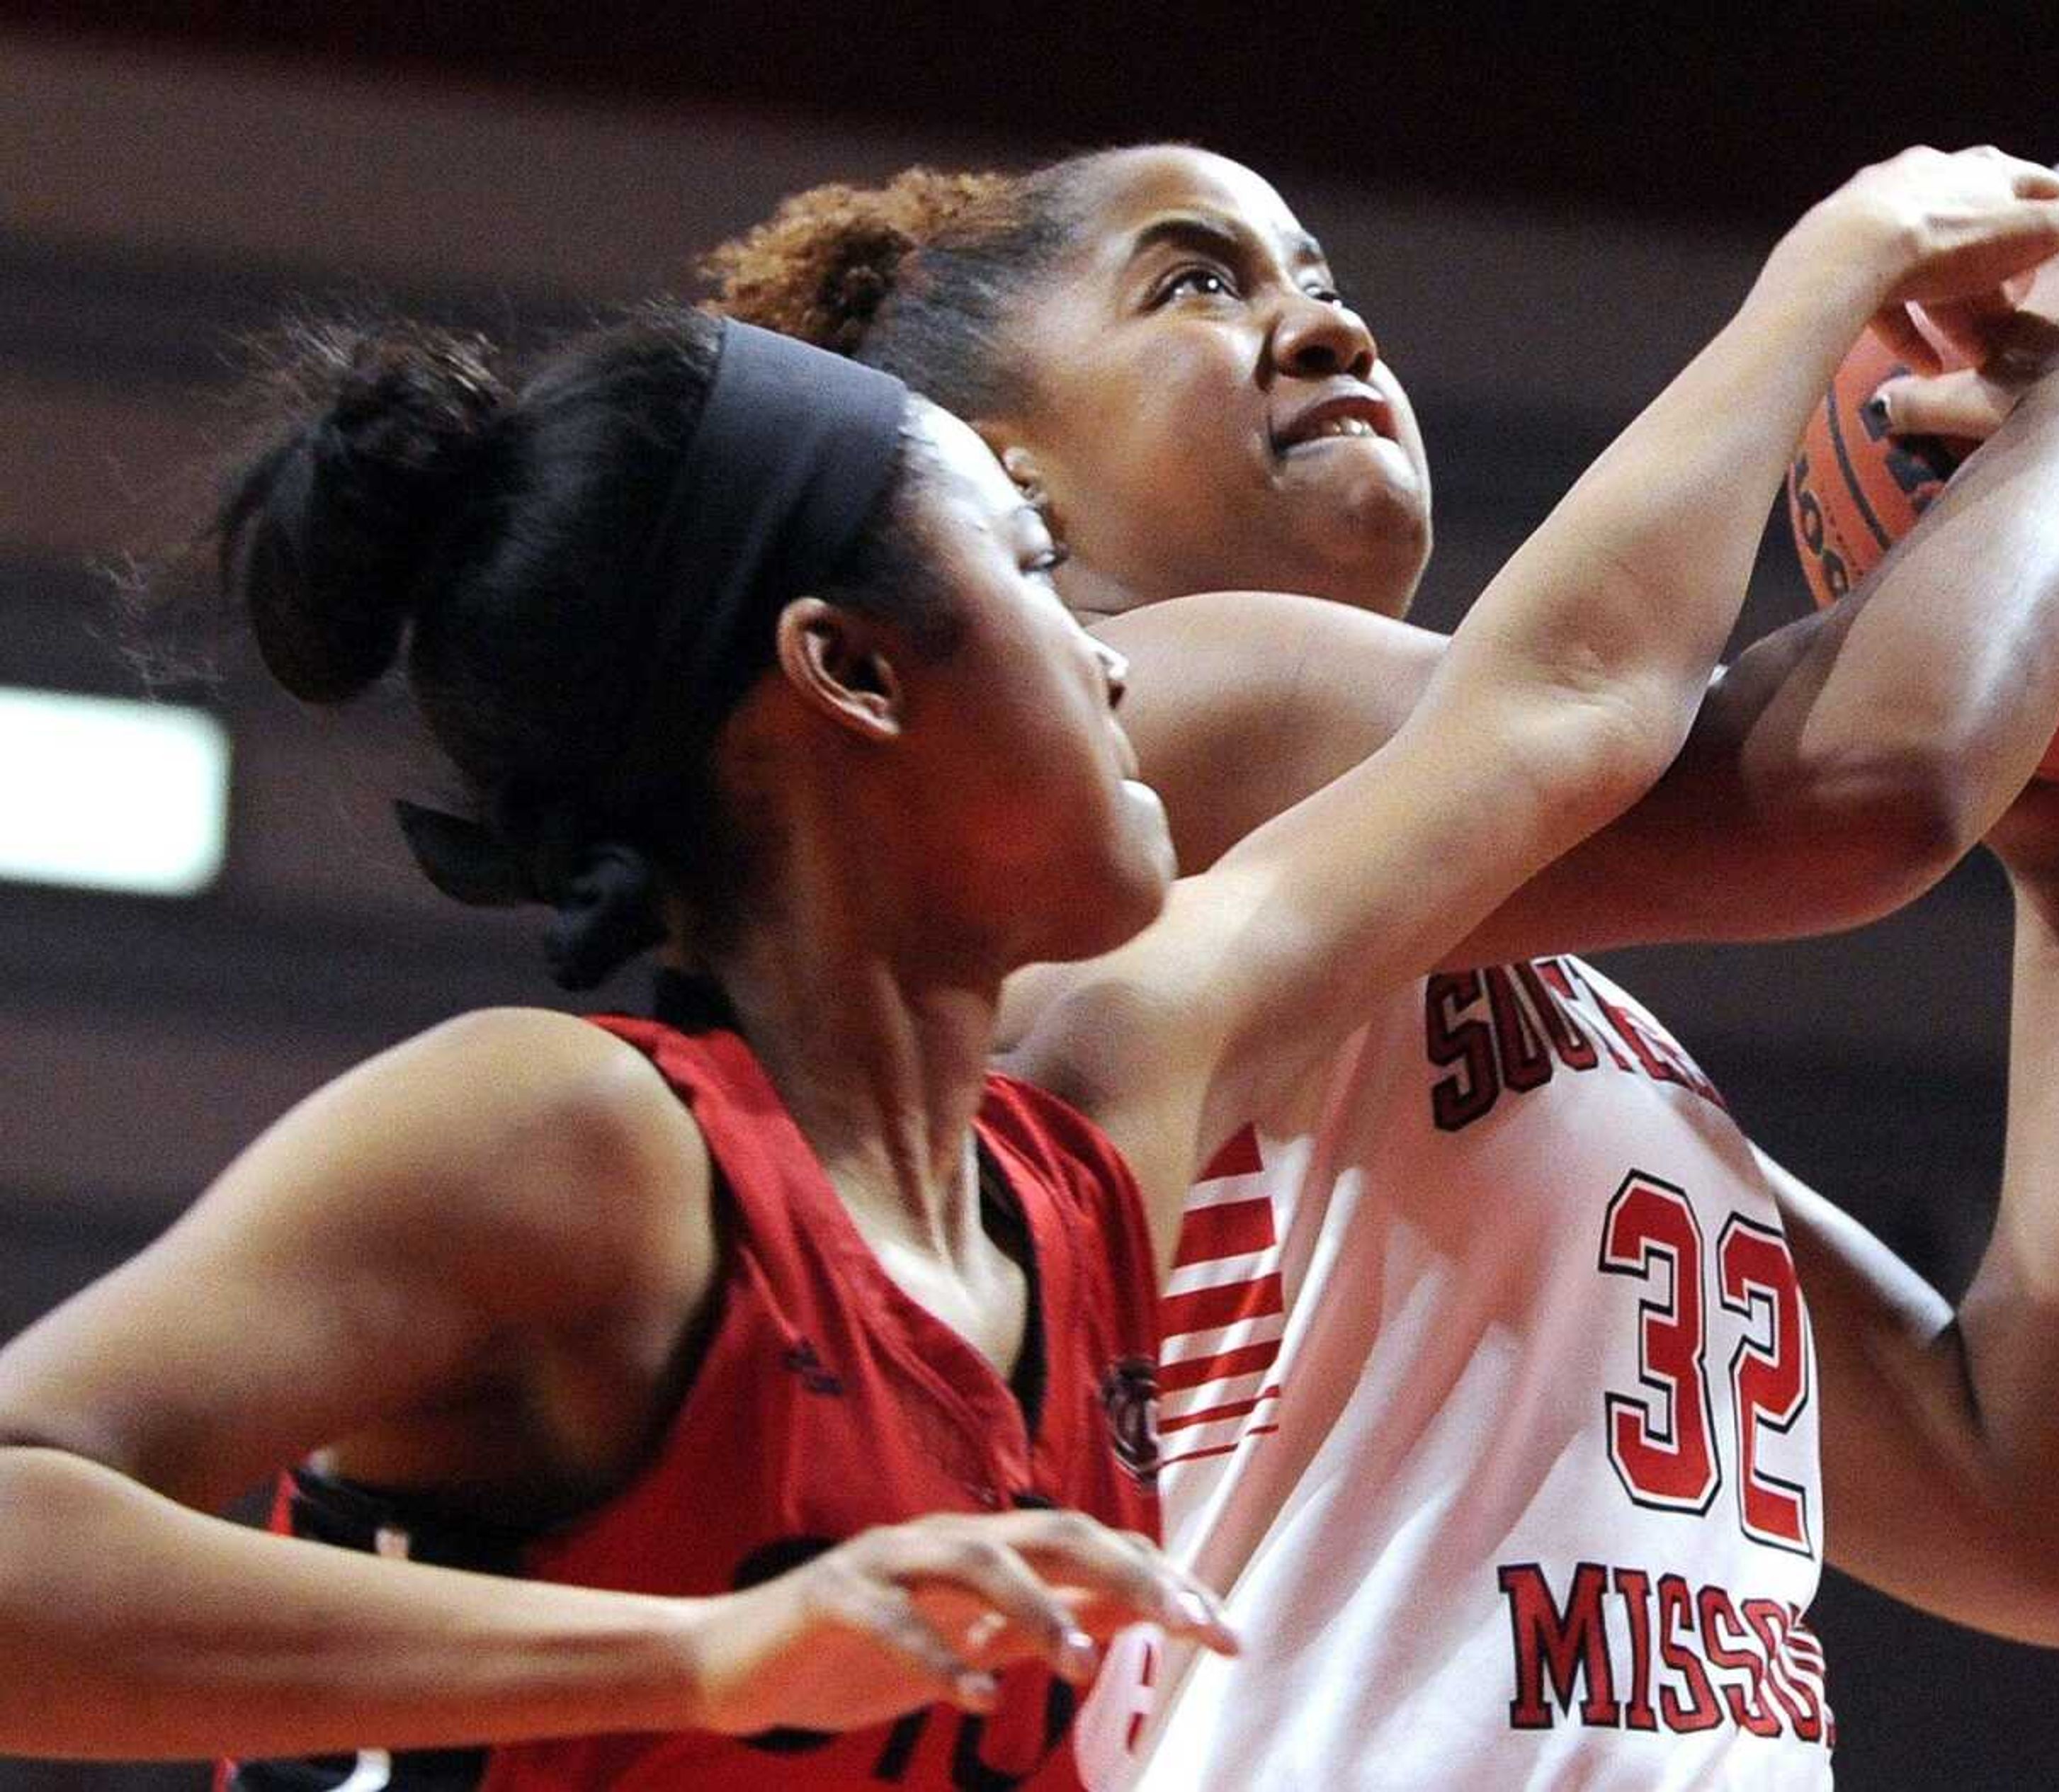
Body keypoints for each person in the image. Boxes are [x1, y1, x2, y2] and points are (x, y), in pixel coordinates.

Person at [0, 232, 1919, 1786]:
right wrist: (700, 1653)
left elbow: (1563, 711)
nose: (1104, 657)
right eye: (1025, 577)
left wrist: (1853, 258)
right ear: (849, 670)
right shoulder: (579, 1138)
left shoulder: (1087, 1144)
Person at [707, 145, 2059, 1786]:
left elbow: (2037, 1515)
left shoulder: (1514, 994)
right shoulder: (1156, 720)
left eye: (1327, 282)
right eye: (1198, 283)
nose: (1326, 330)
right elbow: (1862, 781)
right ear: (1008, 479)